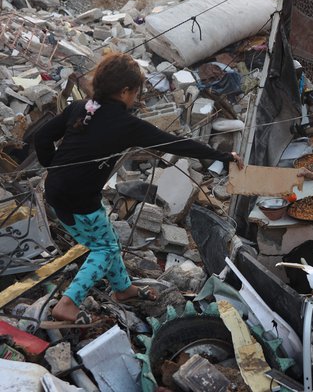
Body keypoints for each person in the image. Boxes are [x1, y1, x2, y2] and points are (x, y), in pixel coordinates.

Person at [34, 52, 244, 325]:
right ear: (124, 92)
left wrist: (54, 168)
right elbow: (174, 144)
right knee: (104, 250)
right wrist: (224, 157)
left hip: (56, 192)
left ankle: (123, 290)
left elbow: (42, 136)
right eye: (135, 93)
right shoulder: (126, 125)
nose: (136, 98)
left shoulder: (82, 108)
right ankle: (68, 302)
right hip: (79, 200)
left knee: (108, 240)